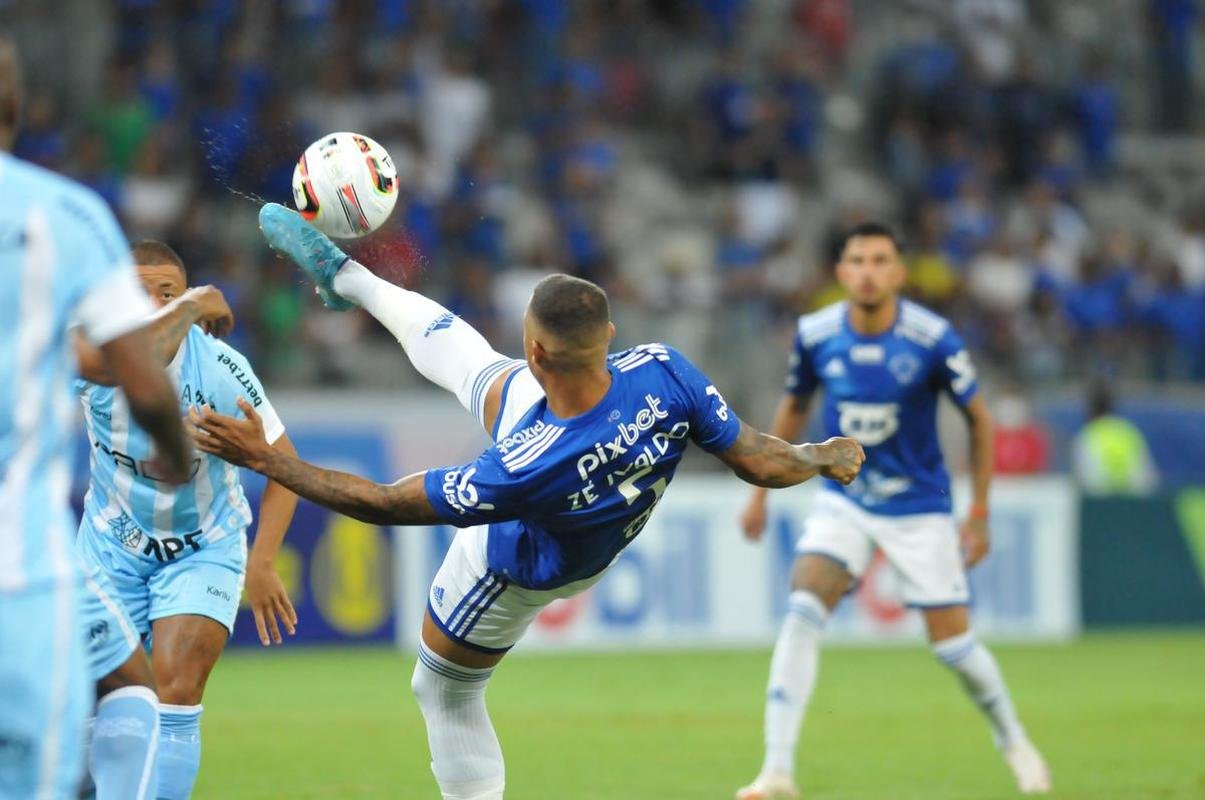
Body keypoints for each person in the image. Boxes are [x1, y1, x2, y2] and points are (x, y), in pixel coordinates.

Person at [188, 203, 866, 800]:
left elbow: (387, 504)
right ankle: (346, 277)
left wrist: (268, 460)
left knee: (444, 691)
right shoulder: (660, 369)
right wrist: (816, 457)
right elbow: (754, 455)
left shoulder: (522, 465)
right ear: (607, 335)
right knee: (468, 362)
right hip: (580, 431)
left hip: (518, 562)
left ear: (536, 350)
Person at [735, 222, 1051, 799]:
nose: (869, 271)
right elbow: (794, 408)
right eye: (857, 260)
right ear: (841, 272)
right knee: (803, 605)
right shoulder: (815, 333)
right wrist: (759, 490)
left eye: (881, 260)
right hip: (844, 498)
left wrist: (978, 512)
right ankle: (776, 771)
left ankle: (1013, 739)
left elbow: (979, 419)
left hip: (918, 505)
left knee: (953, 647)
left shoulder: (932, 338)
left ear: (900, 273)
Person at [0, 36, 192, 799]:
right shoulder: (64, 215)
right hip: (21, 568)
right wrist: (174, 453)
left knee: (126, 675)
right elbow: (137, 375)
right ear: (18, 106)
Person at [72, 240, 300, 800]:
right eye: (137, 293)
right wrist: (192, 304)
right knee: (85, 700)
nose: (152, 303)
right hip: (110, 545)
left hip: (204, 544)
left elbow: (285, 463)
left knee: (175, 688)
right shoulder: (93, 355)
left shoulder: (221, 369)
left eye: (166, 293)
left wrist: (263, 558)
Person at [1071, 382, 1159, 495]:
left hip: (1101, 505)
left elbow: (1085, 482)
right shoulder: (1128, 432)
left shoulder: (1086, 437)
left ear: (1088, 409)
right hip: (1133, 503)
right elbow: (1148, 478)